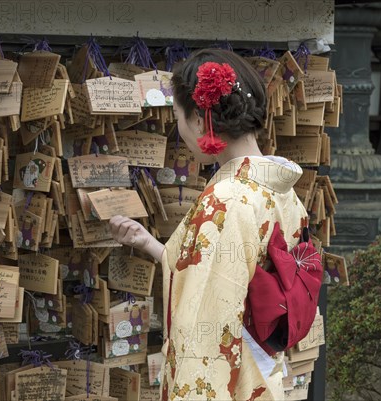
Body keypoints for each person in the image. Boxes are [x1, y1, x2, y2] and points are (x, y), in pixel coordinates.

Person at [110, 49, 309, 401]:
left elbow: (204, 322)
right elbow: (222, 271)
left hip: (236, 378)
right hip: (267, 369)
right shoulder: (279, 190)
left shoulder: (226, 199)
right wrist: (152, 245)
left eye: (178, 117)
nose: (179, 129)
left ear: (201, 122)